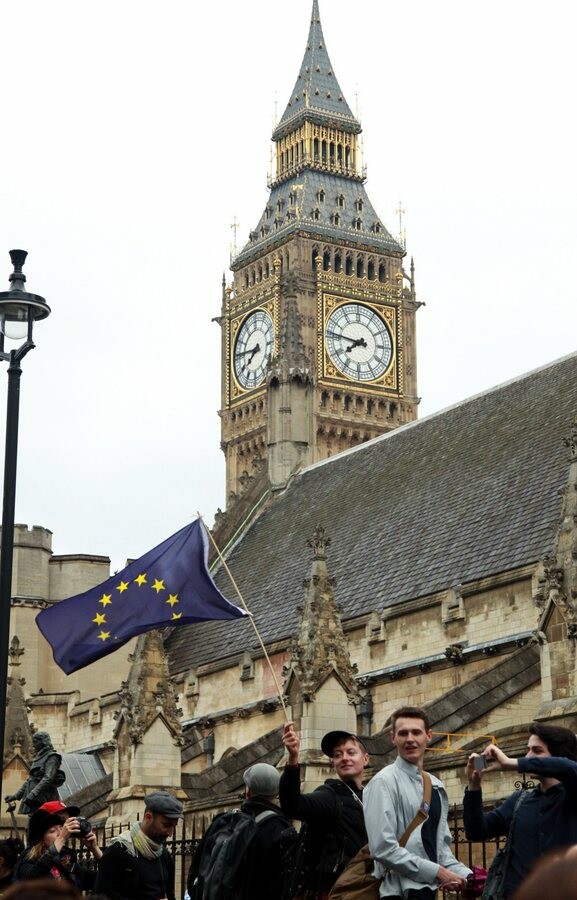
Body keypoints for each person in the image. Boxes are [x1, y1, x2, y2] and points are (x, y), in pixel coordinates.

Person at [363, 705, 470, 899]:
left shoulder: (436, 786)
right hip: (397, 893)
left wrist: (471, 877)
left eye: (416, 732)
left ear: (428, 736)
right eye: (403, 733)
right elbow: (382, 849)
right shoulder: (382, 782)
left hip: (428, 892)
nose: (410, 739)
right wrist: (438, 872)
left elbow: (441, 851)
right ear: (393, 738)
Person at [463, 721, 577, 898]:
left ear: (558, 756)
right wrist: (473, 785)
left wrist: (512, 763)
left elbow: (570, 769)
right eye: (528, 750)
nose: (528, 756)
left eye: (537, 751)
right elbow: (476, 831)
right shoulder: (519, 800)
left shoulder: (572, 793)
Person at [279, 722, 369, 898]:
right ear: (332, 763)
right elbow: (292, 805)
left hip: (366, 887)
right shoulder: (329, 796)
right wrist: (293, 759)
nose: (344, 758)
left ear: (365, 759)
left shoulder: (371, 795)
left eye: (351, 752)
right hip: (335, 891)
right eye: (338, 755)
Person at [94, 790, 182, 900]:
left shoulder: (164, 856)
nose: (170, 833)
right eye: (166, 825)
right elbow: (102, 896)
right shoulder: (118, 852)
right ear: (148, 817)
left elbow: (170, 895)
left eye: (173, 826)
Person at [13, 807, 101, 890]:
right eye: (52, 831)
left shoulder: (65, 858)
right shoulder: (29, 857)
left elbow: (100, 878)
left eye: (61, 828)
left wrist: (95, 849)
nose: (60, 833)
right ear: (41, 838)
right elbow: (33, 877)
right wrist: (61, 839)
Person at [5, 733, 64, 815]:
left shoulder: (52, 757)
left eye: (35, 742)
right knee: (31, 826)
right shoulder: (38, 758)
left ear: (42, 742)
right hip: (34, 801)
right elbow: (29, 781)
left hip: (44, 800)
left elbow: (48, 778)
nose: (34, 745)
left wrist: (33, 794)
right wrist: (15, 796)